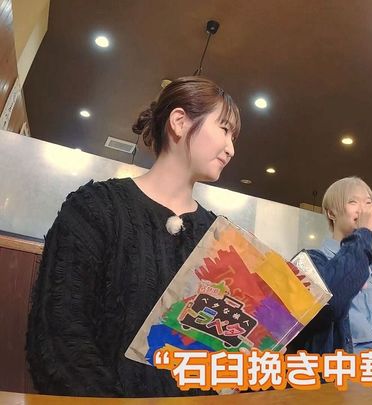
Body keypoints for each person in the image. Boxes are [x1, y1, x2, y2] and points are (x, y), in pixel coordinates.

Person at [26, 76, 240, 397]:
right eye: (224, 129)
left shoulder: (219, 237)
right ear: (179, 122)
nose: (231, 148)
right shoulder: (95, 207)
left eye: (234, 137)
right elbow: (57, 336)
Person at [289, 177, 372, 355]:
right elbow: (332, 304)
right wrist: (363, 233)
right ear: (331, 213)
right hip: (342, 367)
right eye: (353, 202)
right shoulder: (310, 261)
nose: (362, 209)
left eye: (368, 203)